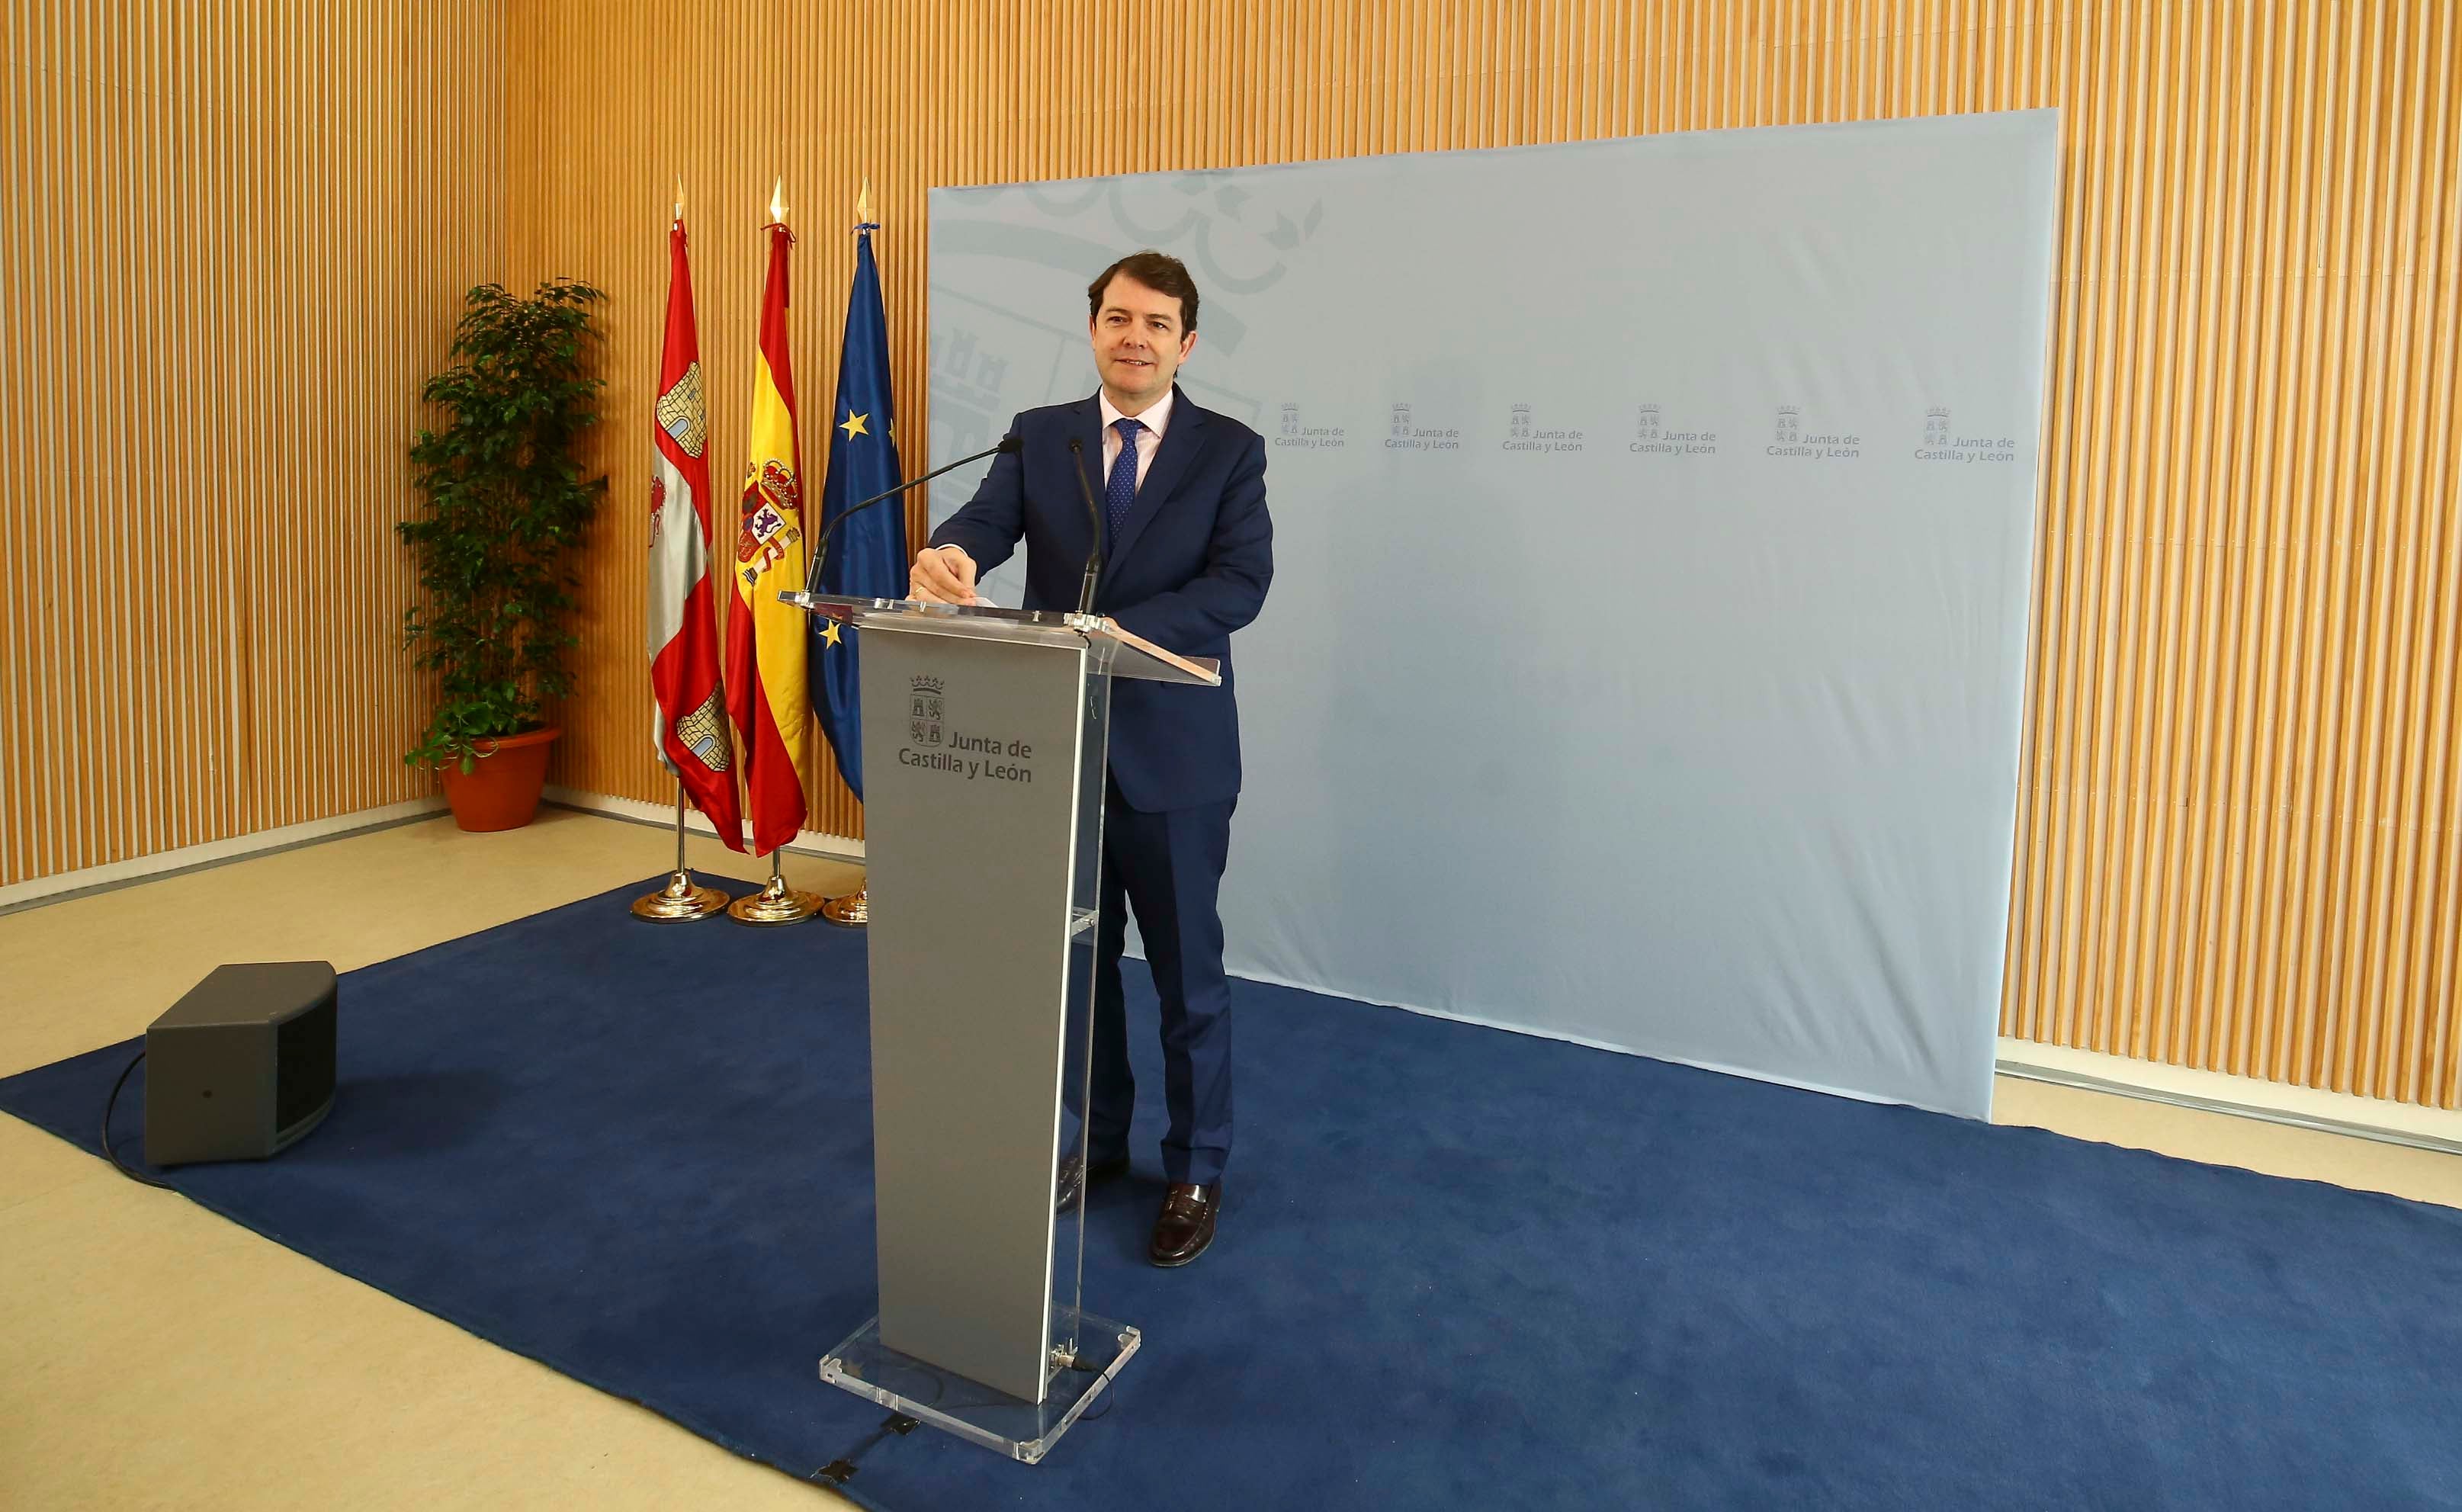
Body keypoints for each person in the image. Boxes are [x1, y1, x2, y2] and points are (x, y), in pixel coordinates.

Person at [910, 250, 1271, 1267]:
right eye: (1118, 317)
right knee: (1080, 968)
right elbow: (984, 521)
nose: (1135, 337)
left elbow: (1237, 585)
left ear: (1185, 344)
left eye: (1157, 324)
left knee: (1186, 973)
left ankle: (1195, 1165)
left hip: (1175, 759)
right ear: (1092, 328)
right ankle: (1097, 1145)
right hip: (1056, 744)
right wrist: (954, 554)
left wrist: (1098, 626)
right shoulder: (1042, 436)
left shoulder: (1227, 451)